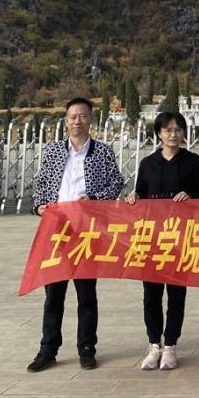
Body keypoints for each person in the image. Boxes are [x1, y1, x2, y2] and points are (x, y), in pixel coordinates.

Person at [26, 97, 124, 373]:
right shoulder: (54, 152)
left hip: (87, 231)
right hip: (57, 231)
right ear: (65, 121)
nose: (77, 121)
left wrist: (93, 198)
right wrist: (40, 206)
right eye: (72, 117)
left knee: (86, 293)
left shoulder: (102, 152)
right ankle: (48, 349)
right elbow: (42, 185)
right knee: (53, 294)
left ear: (91, 120)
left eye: (82, 116)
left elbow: (116, 183)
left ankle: (86, 347)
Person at [125, 110, 199, 371]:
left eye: (178, 130)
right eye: (168, 130)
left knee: (176, 294)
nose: (173, 134)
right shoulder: (148, 163)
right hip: (152, 238)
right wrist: (133, 196)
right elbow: (141, 192)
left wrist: (190, 196)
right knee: (150, 295)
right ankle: (153, 345)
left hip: (180, 237)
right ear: (158, 133)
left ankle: (170, 345)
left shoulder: (193, 161)